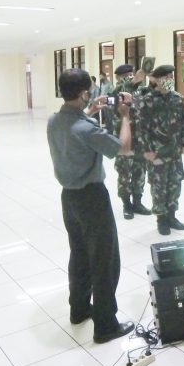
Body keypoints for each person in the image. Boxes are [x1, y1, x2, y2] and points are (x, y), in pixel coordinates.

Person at [47, 67, 136, 344]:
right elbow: (123, 147)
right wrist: (125, 116)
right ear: (85, 93)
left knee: (80, 255)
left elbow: (75, 125)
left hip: (69, 199)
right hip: (92, 199)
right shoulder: (88, 129)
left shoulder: (54, 121)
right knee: (104, 260)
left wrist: (90, 110)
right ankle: (106, 325)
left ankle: (79, 309)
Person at [137, 65, 184, 236]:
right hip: (157, 152)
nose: (170, 80)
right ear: (157, 80)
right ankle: (161, 219)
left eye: (171, 77)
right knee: (159, 186)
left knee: (175, 184)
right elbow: (142, 128)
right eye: (166, 77)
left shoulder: (178, 98)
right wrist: (147, 149)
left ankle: (172, 216)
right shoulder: (148, 100)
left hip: (174, 151)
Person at [109, 63, 151, 219]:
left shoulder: (139, 91)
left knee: (140, 172)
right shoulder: (113, 93)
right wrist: (131, 83)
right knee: (125, 173)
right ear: (118, 78)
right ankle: (126, 204)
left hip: (140, 139)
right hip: (124, 140)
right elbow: (113, 103)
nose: (130, 77)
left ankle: (137, 202)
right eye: (126, 76)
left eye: (131, 74)